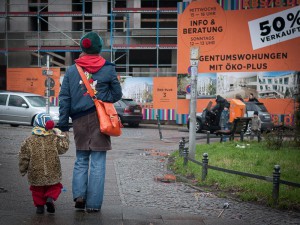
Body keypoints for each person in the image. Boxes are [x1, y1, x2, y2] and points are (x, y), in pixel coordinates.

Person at [57, 31, 122, 213]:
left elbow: (64, 99)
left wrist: (63, 124)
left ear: (82, 48)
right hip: (101, 119)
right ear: (99, 48)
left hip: (78, 120)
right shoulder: (108, 68)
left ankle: (79, 196)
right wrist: (102, 97)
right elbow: (117, 94)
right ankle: (93, 205)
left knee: (81, 159)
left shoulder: (71, 71)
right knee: (98, 162)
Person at [18, 113, 69, 214]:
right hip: (53, 170)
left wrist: (23, 169)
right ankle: (50, 198)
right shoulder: (54, 138)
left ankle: (40, 207)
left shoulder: (29, 140)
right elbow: (63, 149)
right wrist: (64, 137)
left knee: (37, 190)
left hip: (35, 171)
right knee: (55, 186)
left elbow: (24, 156)